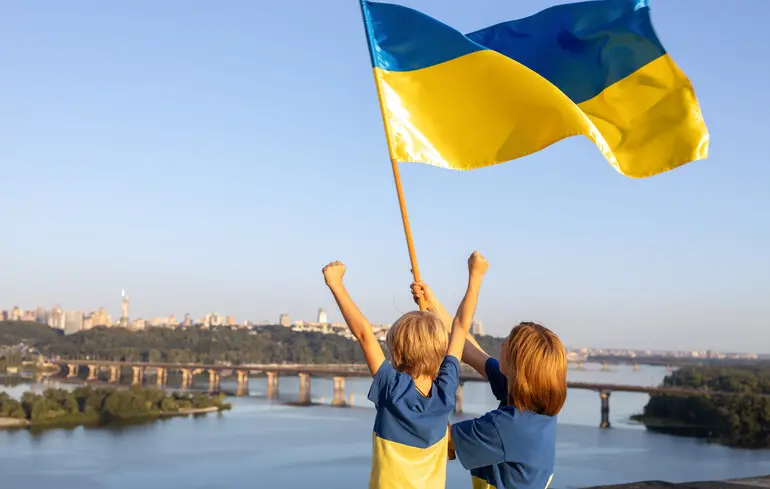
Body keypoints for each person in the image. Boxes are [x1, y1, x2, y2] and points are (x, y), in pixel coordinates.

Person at [322, 251, 488, 489]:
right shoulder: (445, 391)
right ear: (440, 352)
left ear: (396, 353)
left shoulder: (391, 388)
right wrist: (475, 276)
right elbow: (460, 327)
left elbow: (364, 334)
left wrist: (335, 284)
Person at [412, 284, 567, 489]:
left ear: (515, 367)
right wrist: (433, 306)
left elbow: (437, 436)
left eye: (506, 345)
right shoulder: (534, 405)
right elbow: (468, 348)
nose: (501, 346)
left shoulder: (506, 427)